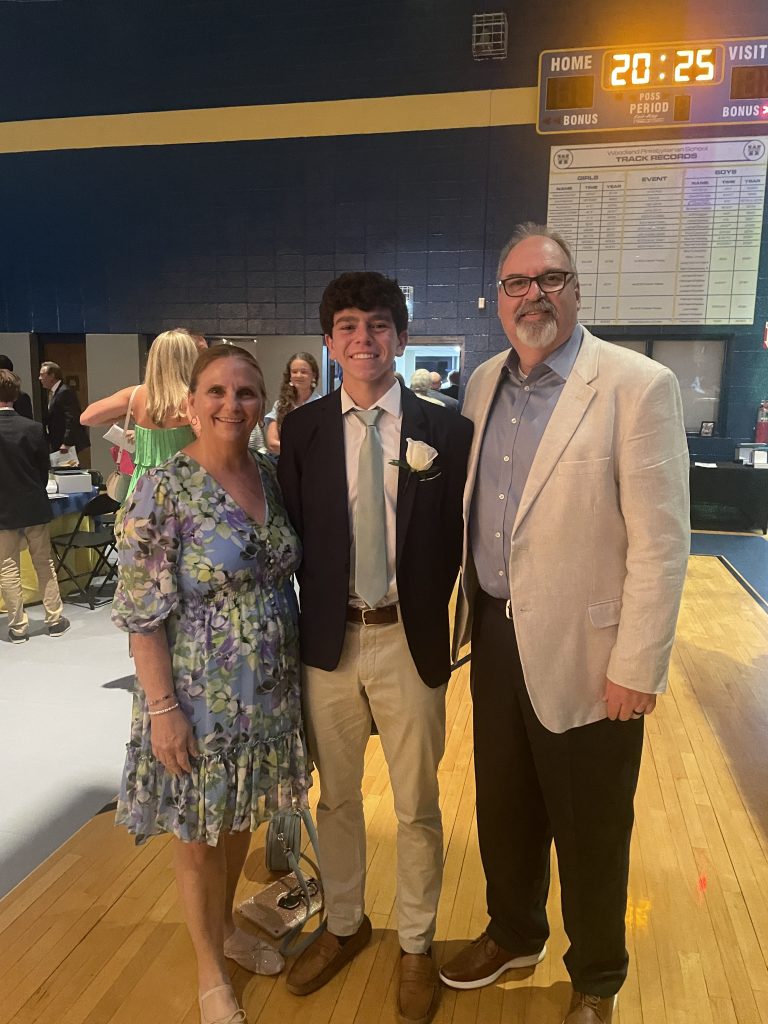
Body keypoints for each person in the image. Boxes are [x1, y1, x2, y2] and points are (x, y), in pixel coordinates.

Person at [439, 223, 690, 1024]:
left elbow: (661, 543)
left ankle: (598, 977)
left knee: (591, 827)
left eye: (550, 279)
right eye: (517, 282)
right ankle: (514, 932)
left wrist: (638, 665)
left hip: (592, 651)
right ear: (499, 299)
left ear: (576, 289)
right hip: (495, 637)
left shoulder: (636, 385)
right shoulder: (484, 383)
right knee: (504, 806)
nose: (533, 295)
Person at [278, 272, 472, 1024]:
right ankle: (344, 924)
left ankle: (416, 944)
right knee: (336, 798)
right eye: (349, 327)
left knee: (417, 805)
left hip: (408, 639)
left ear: (401, 336)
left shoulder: (447, 432)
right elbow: (296, 534)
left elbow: (459, 538)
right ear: (330, 343)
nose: (364, 339)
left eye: (379, 324)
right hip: (329, 643)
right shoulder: (302, 432)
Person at [112, 344, 310, 1024]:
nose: (232, 404)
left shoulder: (270, 475)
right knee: (198, 833)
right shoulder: (161, 489)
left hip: (269, 693)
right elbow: (141, 616)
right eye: (217, 392)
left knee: (237, 817)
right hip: (198, 698)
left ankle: (225, 928)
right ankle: (209, 969)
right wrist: (163, 708)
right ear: (191, 404)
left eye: (246, 392)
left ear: (262, 403)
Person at [80, 328, 199, 497]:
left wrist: (126, 414)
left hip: (144, 487)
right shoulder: (196, 399)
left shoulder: (135, 395)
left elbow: (87, 418)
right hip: (184, 483)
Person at [0, 369, 69, 642]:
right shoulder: (33, 428)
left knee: (8, 567)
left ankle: (18, 627)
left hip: (3, 508)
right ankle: (54, 619)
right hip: (33, 504)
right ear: (16, 394)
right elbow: (43, 470)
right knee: (44, 563)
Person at [264, 351, 320, 455]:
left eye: (304, 372)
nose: (299, 375)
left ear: (313, 375)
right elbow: (272, 444)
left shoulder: (323, 406)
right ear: (290, 376)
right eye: (294, 372)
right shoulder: (280, 405)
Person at [39, 362, 90, 455]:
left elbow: (72, 418)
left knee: (66, 464)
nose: (40, 378)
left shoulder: (65, 391)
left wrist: (67, 442)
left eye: (42, 375)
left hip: (64, 442)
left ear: (52, 376)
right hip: (55, 440)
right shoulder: (53, 393)